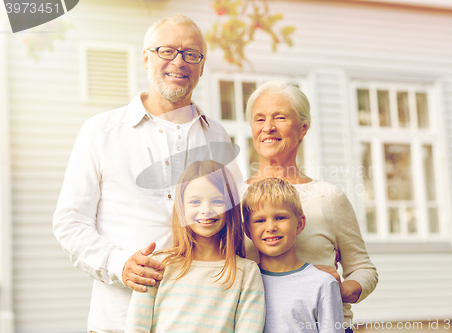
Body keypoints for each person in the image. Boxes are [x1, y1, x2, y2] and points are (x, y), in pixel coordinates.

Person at [53, 15, 241, 333]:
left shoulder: (217, 137)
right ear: (145, 58)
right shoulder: (100, 132)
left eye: (191, 54)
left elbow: (240, 222)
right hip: (119, 320)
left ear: (202, 66)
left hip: (198, 320)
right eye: (166, 50)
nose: (179, 62)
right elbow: (70, 222)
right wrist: (119, 263)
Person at [241, 80, 378, 331]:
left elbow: (363, 269)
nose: (268, 127)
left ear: (303, 128)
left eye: (280, 117)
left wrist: (337, 290)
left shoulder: (328, 197)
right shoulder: (235, 197)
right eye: (259, 119)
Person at [125, 160, 265, 333]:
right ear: (182, 207)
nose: (206, 210)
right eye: (195, 202)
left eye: (217, 201)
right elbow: (137, 328)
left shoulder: (246, 272)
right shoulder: (157, 265)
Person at [243, 177, 344, 333]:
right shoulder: (243, 283)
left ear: (300, 224)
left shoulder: (323, 284)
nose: (270, 227)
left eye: (280, 217)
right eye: (260, 220)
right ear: (247, 230)